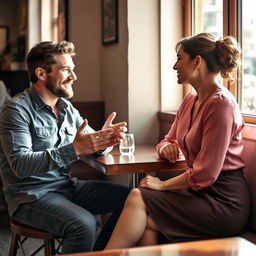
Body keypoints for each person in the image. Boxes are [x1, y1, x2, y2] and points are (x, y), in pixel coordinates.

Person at [105, 33, 250, 249]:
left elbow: (206, 173)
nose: (175, 66)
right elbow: (167, 139)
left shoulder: (221, 105)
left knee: (138, 196)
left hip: (224, 203)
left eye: (179, 58)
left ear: (197, 62)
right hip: (198, 194)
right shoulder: (191, 99)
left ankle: (105, 254)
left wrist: (163, 185)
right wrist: (167, 148)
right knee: (145, 222)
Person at [0, 41, 129, 254]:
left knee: (132, 199)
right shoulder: (16, 110)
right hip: (30, 197)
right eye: (66, 70)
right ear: (41, 73)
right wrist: (75, 148)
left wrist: (104, 140)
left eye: (73, 69)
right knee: (83, 224)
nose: (74, 76)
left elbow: (88, 143)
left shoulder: (66, 107)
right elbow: (20, 165)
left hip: (66, 187)